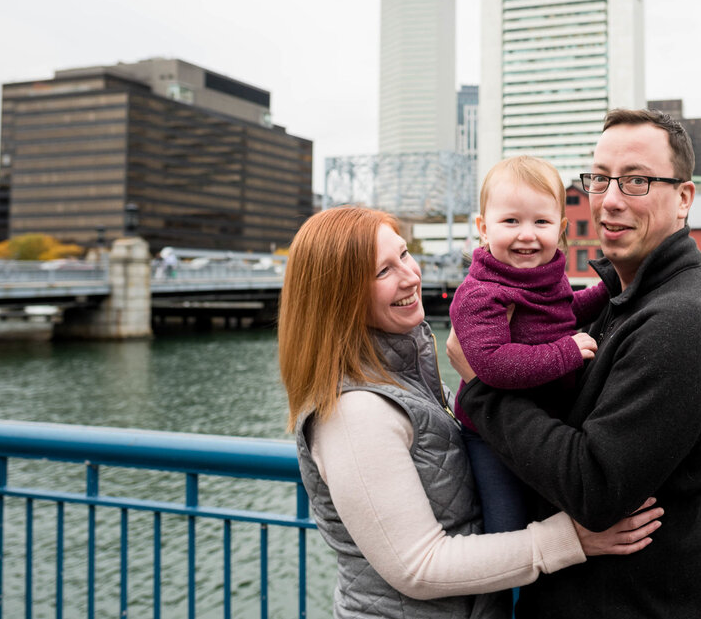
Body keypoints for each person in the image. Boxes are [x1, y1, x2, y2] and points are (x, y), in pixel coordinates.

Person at [277, 206, 663, 619]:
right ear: (337, 298)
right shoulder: (355, 413)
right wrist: (571, 539)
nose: (410, 276)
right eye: (382, 272)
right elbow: (419, 567)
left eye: (404, 255)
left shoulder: (405, 380)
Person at [450, 109, 701, 618]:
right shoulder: (629, 299)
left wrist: (480, 385)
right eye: (600, 178)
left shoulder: (681, 322)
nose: (610, 199)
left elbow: (593, 487)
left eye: (636, 181)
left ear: (684, 199)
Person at [449, 156, 610, 533]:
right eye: (511, 221)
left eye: (541, 222)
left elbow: (566, 312)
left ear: (561, 228)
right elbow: (493, 364)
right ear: (483, 229)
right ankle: (503, 594)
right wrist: (565, 352)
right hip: (491, 435)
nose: (527, 234)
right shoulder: (481, 293)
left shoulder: (547, 279)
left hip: (545, 427)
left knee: (548, 518)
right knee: (508, 526)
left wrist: (608, 291)